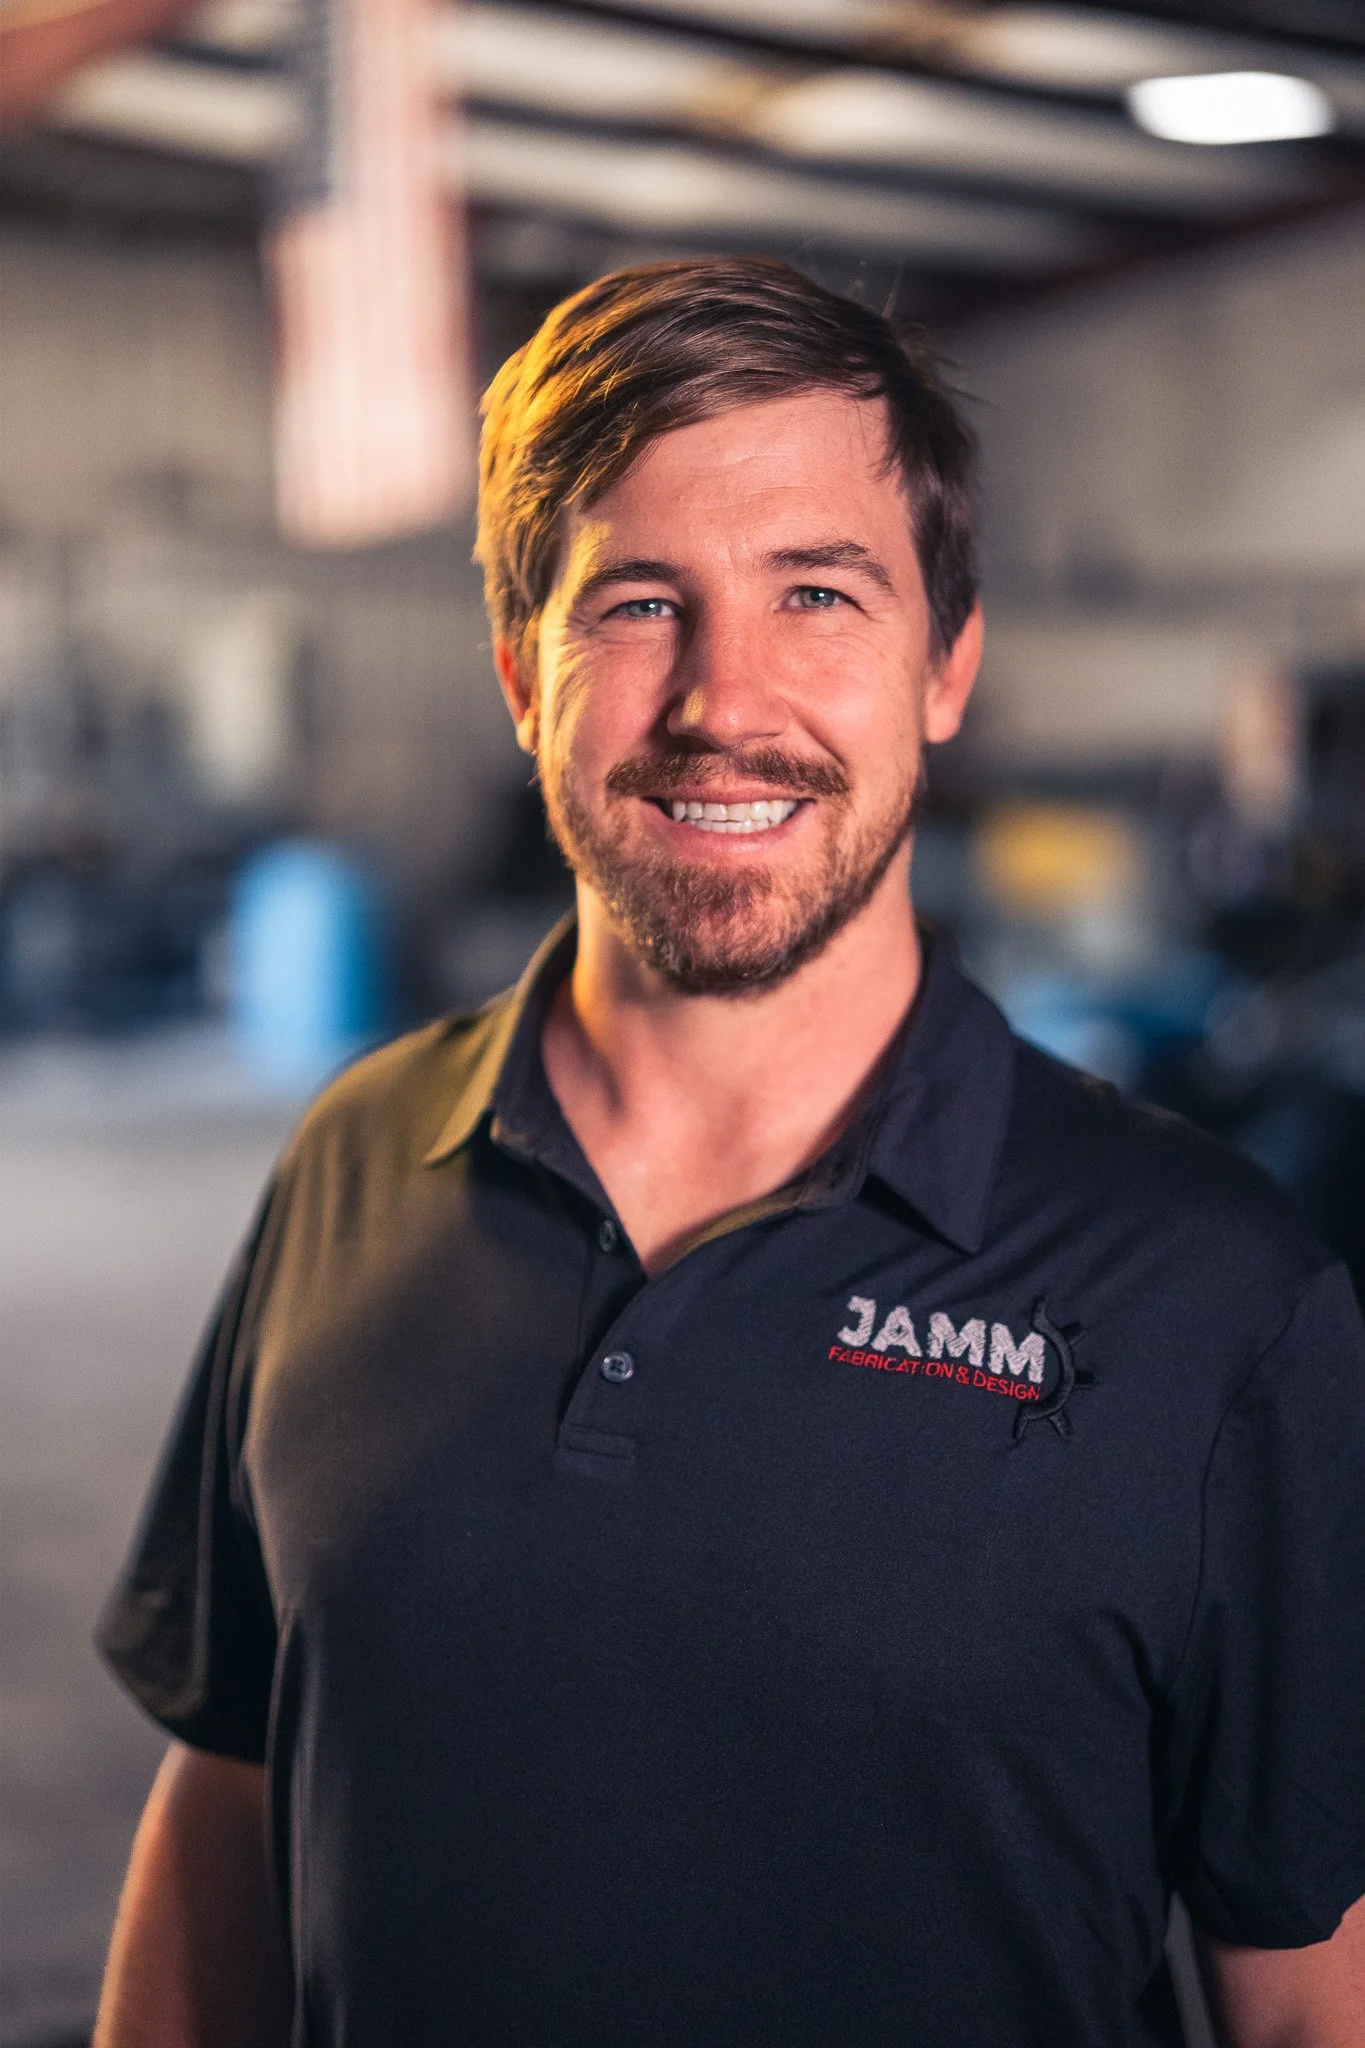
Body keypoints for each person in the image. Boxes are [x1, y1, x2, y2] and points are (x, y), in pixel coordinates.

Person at [94, 259, 1365, 2048]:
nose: (723, 697)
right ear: (521, 678)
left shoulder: (1215, 1291)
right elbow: (228, 1788)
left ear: (950, 662)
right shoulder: (352, 1161)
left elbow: (1315, 1995)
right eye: (635, 605)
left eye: (821, 594)